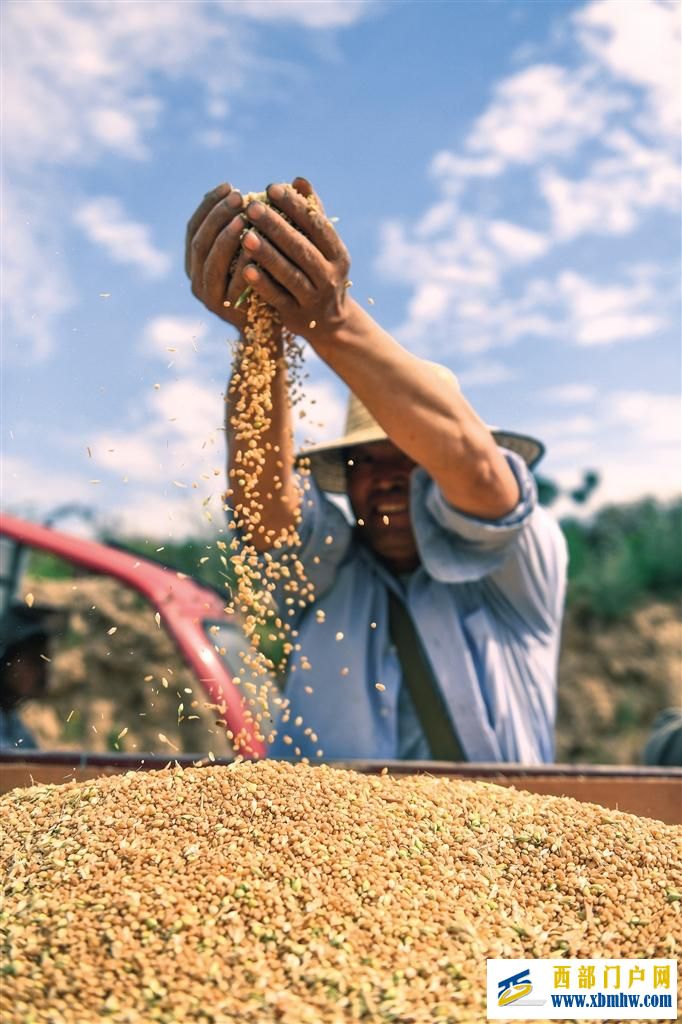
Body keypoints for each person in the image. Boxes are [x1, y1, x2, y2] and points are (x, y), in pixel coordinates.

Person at [186, 178, 568, 763]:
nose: (386, 477)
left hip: (503, 848)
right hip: (321, 850)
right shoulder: (329, 574)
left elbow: (484, 482)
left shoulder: (515, 568)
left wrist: (330, 319)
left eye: (410, 455)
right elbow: (268, 514)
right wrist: (257, 332)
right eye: (365, 461)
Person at [0, 605, 56, 749]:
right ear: (6, 663)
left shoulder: (13, 724)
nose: (43, 671)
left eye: (44, 662)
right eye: (33, 661)